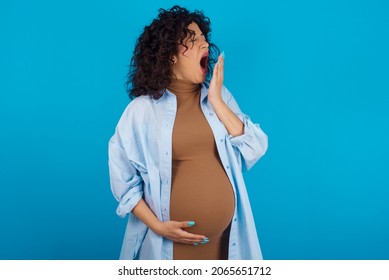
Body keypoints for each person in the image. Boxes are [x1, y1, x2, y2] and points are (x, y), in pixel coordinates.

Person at [108, 5, 268, 260]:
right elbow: (124, 182)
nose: (205, 46)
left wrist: (216, 101)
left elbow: (255, 148)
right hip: (170, 249)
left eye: (205, 40)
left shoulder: (220, 97)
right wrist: (158, 226)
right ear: (170, 55)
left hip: (225, 244)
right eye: (193, 41)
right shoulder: (141, 111)